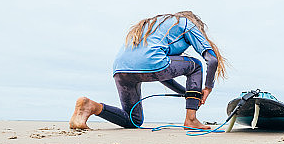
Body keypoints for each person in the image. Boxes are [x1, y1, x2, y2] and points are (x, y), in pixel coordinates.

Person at [69, 11, 226, 130]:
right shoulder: (186, 23)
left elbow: (162, 75)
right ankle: (191, 120)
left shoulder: (151, 27)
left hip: (120, 70)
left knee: (134, 120)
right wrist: (207, 88)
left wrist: (187, 94)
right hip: (151, 65)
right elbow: (211, 60)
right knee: (196, 65)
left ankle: (91, 106)